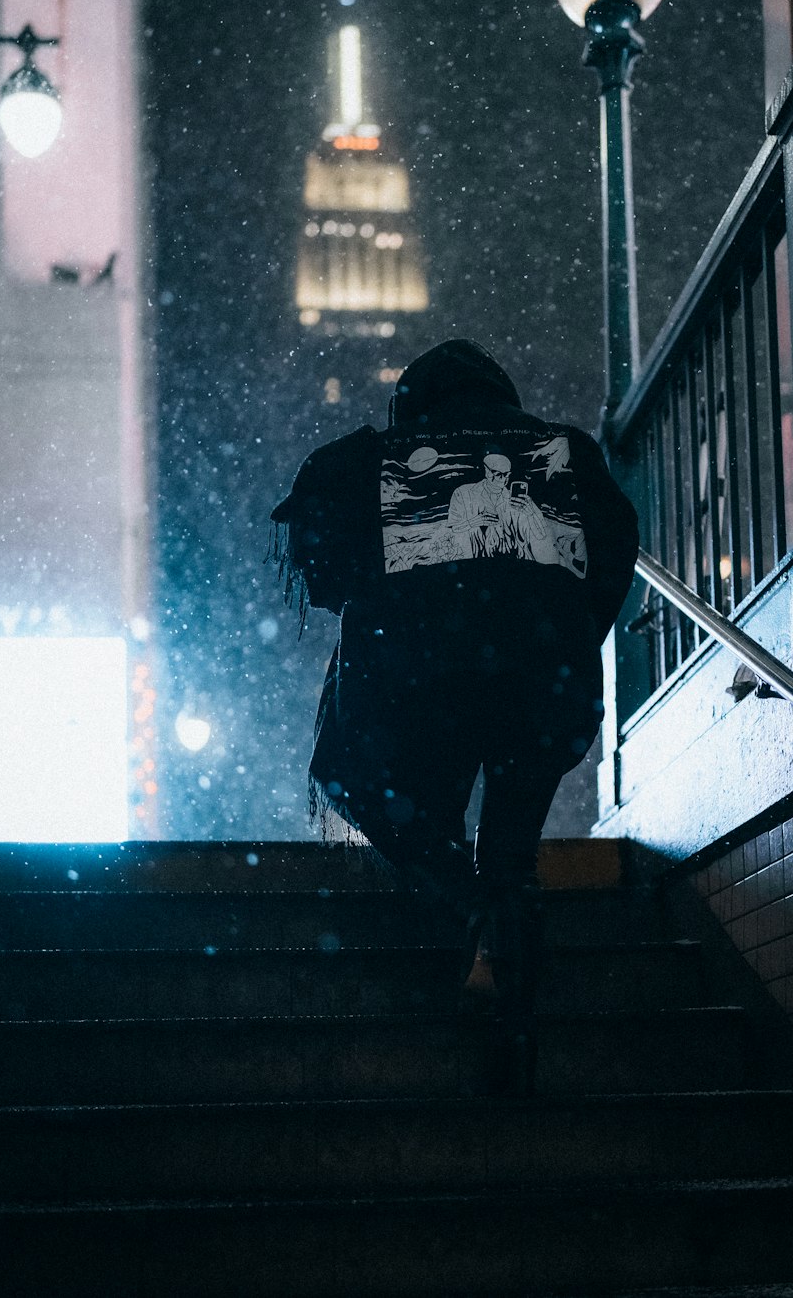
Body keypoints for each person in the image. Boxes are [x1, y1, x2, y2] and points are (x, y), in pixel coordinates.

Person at [270, 339, 638, 1092]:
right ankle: (514, 1030)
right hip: (542, 686)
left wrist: (381, 601)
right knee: (511, 854)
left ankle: (461, 903)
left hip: (415, 689)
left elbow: (317, 556)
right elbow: (613, 556)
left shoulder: (378, 455)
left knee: (354, 782)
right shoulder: (564, 452)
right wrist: (558, 635)